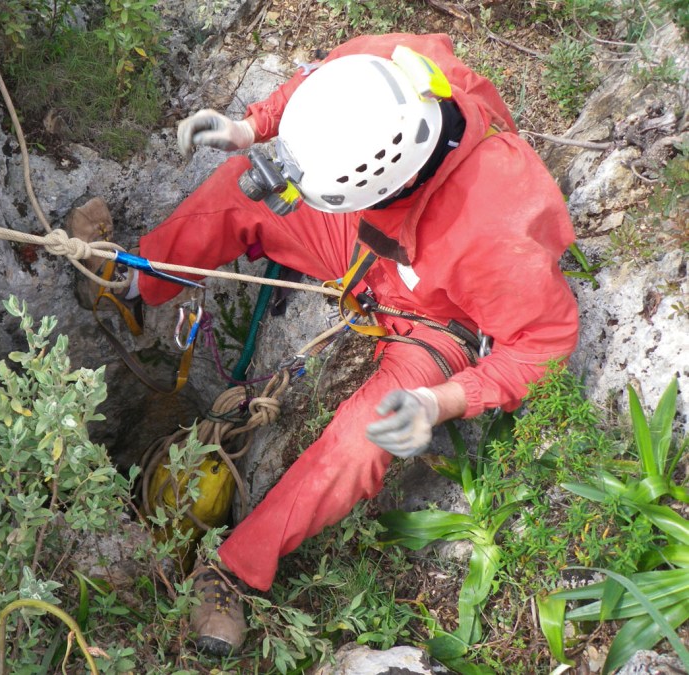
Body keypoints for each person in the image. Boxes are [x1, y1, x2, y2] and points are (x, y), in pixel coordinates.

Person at [133, 32, 579, 655]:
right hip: (368, 243)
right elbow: (326, 79)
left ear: (382, 182)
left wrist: (444, 401)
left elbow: (546, 340)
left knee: (362, 436)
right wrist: (252, 127)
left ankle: (231, 572)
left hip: (435, 322)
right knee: (242, 185)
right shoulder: (393, 73)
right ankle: (134, 283)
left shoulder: (497, 225)